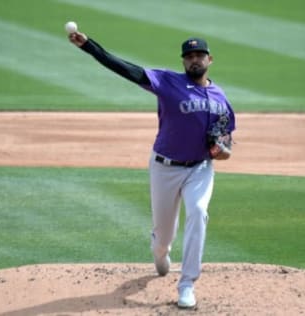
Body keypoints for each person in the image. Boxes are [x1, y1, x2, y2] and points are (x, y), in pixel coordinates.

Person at [69, 30, 235, 309]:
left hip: (200, 169)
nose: (195, 59)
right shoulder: (167, 81)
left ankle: (187, 284)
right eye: (190, 56)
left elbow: (226, 138)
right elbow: (124, 68)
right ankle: (160, 251)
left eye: (200, 55)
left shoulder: (221, 98)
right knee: (163, 236)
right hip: (164, 168)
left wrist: (223, 150)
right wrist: (88, 46)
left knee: (198, 211)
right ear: (183, 61)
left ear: (210, 59)